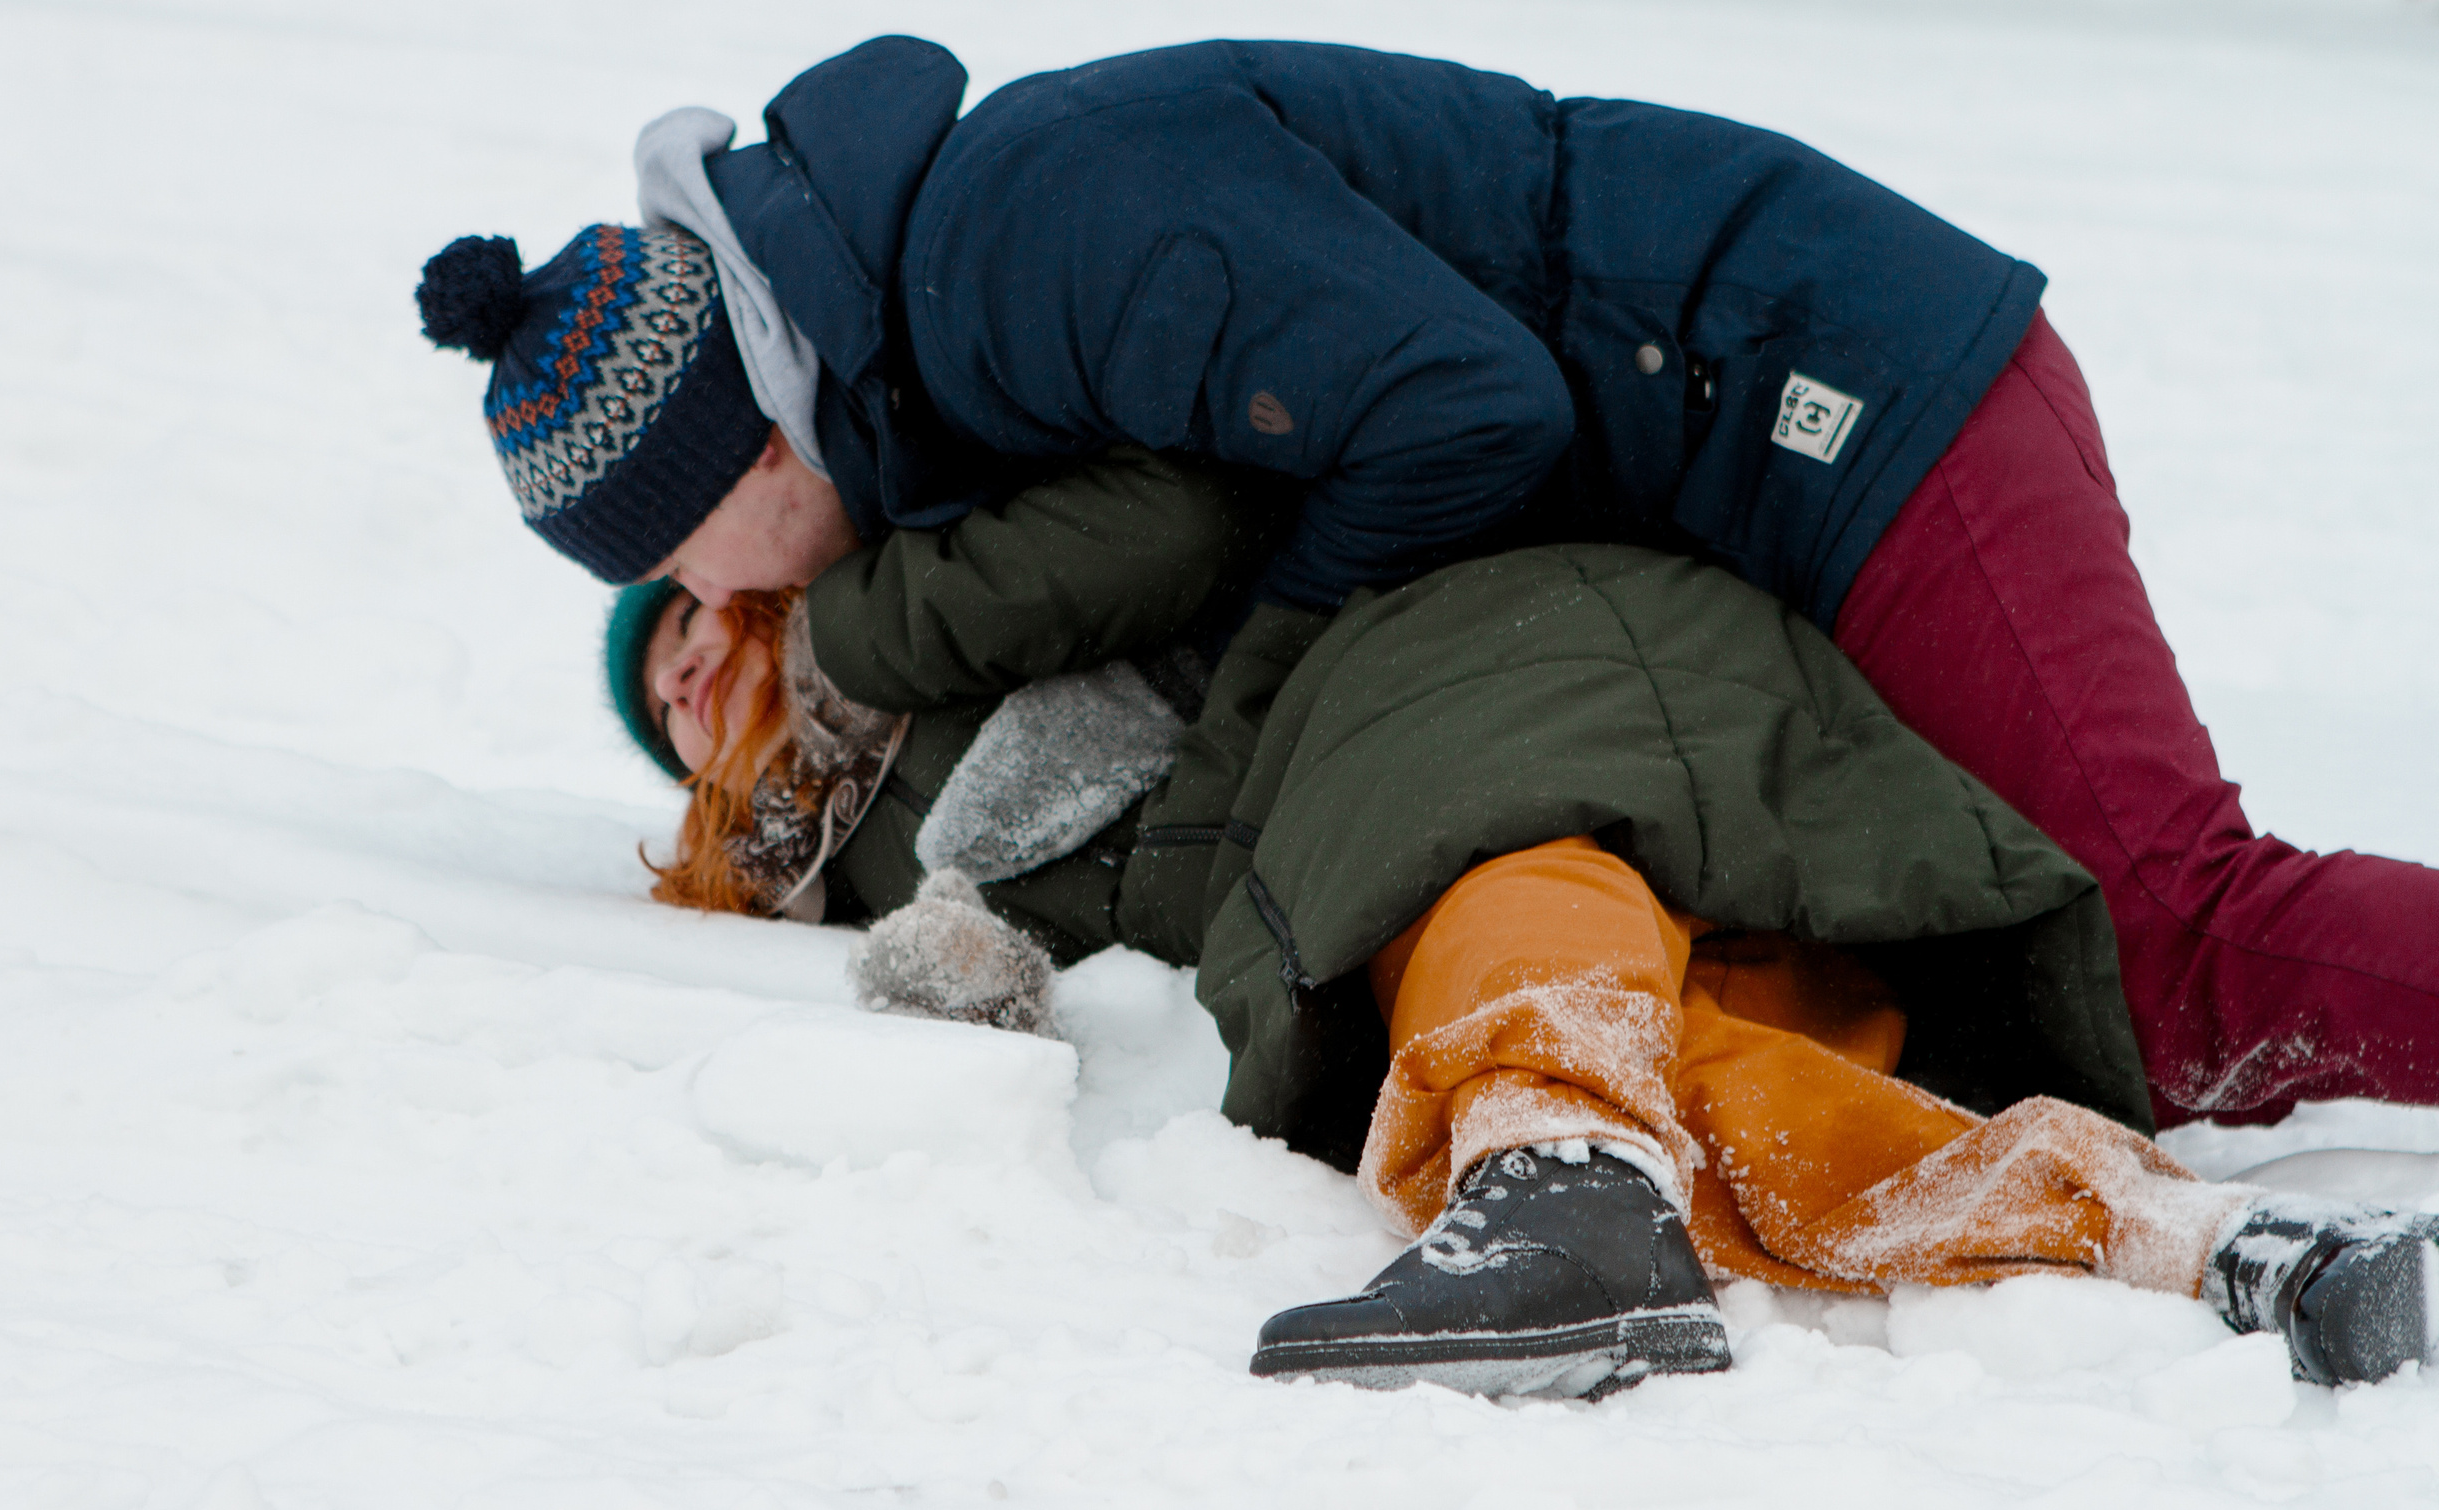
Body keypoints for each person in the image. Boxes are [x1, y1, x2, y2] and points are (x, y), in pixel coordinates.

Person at [419, 36, 2439, 1126]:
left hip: (1828, 389)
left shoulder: (1015, 232)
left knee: (2170, 955)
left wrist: (1276, 701)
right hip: (1759, 430)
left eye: (683, 565)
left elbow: (1461, 409)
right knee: (2019, 974)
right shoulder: (950, 312)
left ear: (743, 451)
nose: (717, 612)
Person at [595, 450, 2438, 1400]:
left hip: (1465, 694)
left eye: (685, 634)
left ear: (755, 603)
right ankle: (2215, 1249)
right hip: (1386, 848)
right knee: (1714, 1074)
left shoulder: (919, 618)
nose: (683, 687)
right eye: (653, 706)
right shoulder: (831, 856)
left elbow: (1179, 559)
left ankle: (1555, 1165)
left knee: (1493, 899)